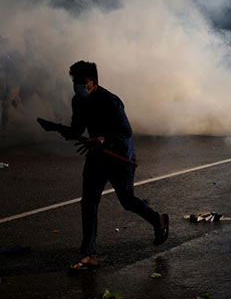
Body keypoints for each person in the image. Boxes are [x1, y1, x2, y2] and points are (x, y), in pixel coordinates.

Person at [60, 61, 169, 270]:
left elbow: (125, 132)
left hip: (120, 157)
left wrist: (102, 139)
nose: (77, 86)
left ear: (94, 82)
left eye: (81, 82)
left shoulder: (110, 101)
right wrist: (58, 129)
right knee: (89, 203)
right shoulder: (78, 101)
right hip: (96, 156)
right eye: (74, 82)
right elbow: (77, 129)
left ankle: (158, 219)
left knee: (127, 201)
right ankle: (89, 254)